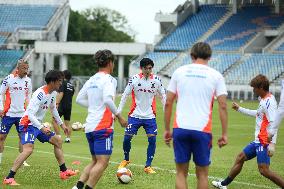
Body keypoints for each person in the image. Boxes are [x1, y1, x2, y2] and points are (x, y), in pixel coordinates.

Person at [164, 42, 228, 189]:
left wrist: (167, 129)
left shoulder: (179, 72)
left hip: (180, 128)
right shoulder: (216, 76)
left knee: (181, 173)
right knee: (202, 175)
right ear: (210, 57)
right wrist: (224, 134)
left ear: (192, 55)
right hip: (202, 130)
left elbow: (168, 102)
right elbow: (223, 105)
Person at [3, 70, 78, 186]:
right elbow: (30, 114)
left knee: (57, 140)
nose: (61, 83)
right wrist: (41, 127)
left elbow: (53, 109)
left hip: (38, 124)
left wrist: (62, 125)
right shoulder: (40, 94)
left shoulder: (53, 93)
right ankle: (9, 178)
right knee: (28, 149)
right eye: (59, 81)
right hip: (28, 124)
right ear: (52, 82)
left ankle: (64, 172)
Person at [212, 74, 284, 189]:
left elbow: (273, 123)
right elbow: (258, 114)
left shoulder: (269, 102)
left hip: (264, 141)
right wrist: (240, 109)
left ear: (260, 87)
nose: (253, 90)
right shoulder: (264, 100)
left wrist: (272, 144)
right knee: (240, 157)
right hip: (258, 140)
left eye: (254, 88)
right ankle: (223, 184)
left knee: (264, 170)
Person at [72, 49, 127, 189]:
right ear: (110, 63)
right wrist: (119, 117)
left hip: (90, 126)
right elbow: (108, 100)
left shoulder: (92, 79)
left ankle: (77, 187)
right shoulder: (109, 80)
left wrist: (96, 106)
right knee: (102, 162)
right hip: (103, 127)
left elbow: (79, 99)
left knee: (95, 161)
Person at [117, 57, 166, 174]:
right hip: (135, 115)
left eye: (150, 68)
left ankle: (148, 166)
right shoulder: (134, 79)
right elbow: (124, 95)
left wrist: (166, 113)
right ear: (141, 68)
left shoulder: (157, 80)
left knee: (152, 140)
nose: (148, 71)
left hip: (150, 116)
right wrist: (118, 112)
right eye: (146, 68)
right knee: (126, 139)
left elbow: (164, 97)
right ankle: (126, 159)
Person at [0, 59, 32, 167]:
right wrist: (1, 108)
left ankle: (22, 161)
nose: (26, 71)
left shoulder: (28, 81)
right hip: (8, 114)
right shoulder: (9, 78)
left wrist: (29, 112)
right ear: (18, 69)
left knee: (22, 137)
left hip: (22, 115)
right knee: (1, 137)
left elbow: (29, 97)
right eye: (24, 68)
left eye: (27, 68)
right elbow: (1, 93)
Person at [52, 70, 75, 143]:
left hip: (62, 105)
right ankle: (68, 138)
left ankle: (58, 136)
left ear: (63, 76)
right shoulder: (71, 85)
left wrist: (57, 103)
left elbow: (61, 93)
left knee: (54, 120)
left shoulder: (63, 83)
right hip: (69, 105)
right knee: (67, 122)